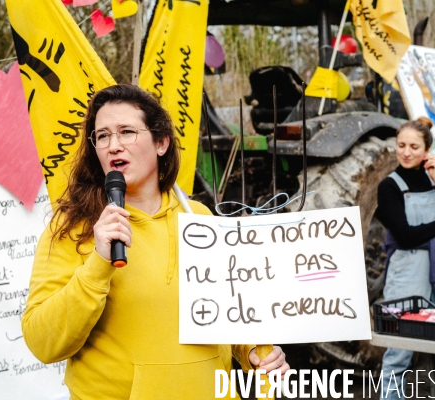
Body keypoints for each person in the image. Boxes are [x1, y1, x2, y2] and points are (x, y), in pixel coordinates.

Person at [22, 84, 289, 399]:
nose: (113, 146)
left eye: (126, 132)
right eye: (103, 136)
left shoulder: (199, 218)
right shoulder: (74, 227)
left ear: (161, 142)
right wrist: (98, 263)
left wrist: (255, 354)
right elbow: (43, 342)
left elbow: (227, 314)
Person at [376, 117, 435, 400]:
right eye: (401, 145)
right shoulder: (389, 187)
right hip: (408, 268)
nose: (406, 152)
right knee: (400, 345)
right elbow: (405, 235)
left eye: (414, 146)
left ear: (427, 148)